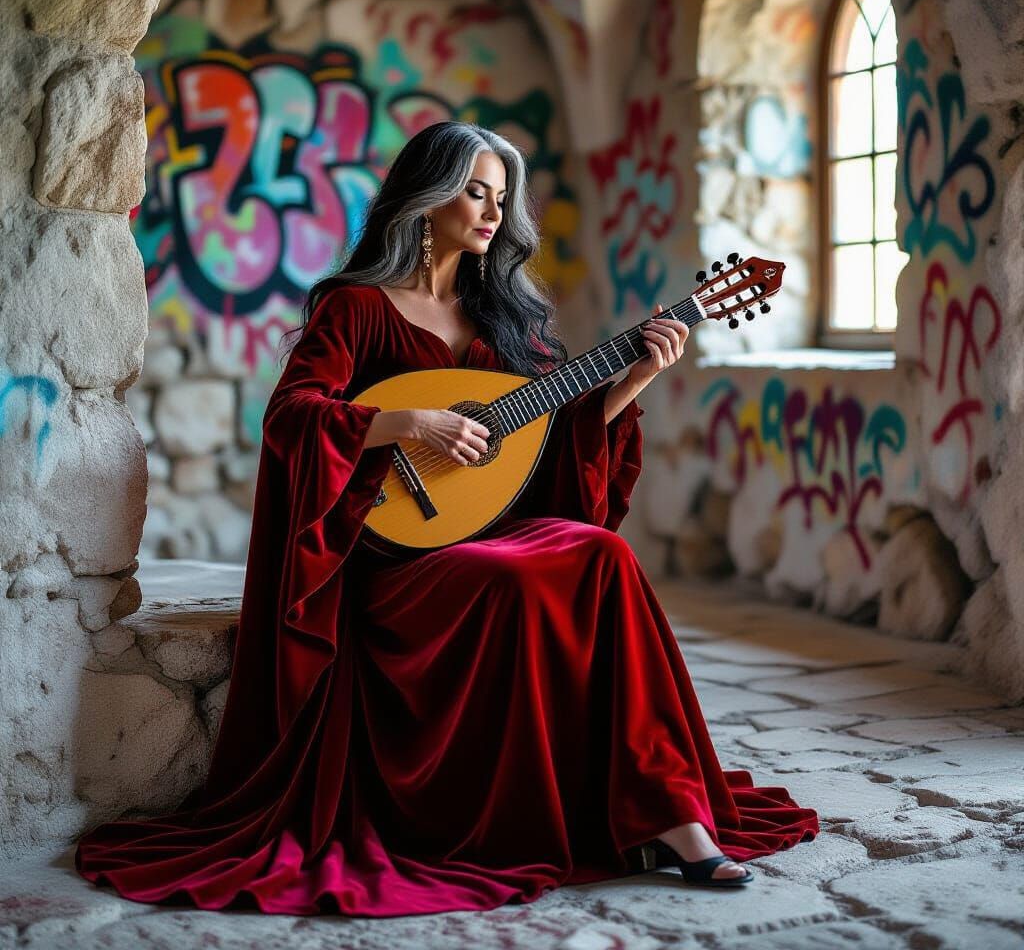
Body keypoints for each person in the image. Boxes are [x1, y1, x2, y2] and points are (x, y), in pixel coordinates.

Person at [75, 121, 818, 917]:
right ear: (425, 197)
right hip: (392, 559)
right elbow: (292, 418)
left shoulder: (509, 317)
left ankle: (671, 814)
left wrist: (629, 382)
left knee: (600, 552)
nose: (493, 211)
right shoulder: (356, 307)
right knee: (537, 568)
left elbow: (549, 448)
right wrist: (407, 424)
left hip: (485, 535)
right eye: (474, 191)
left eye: (502, 197)